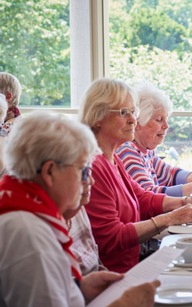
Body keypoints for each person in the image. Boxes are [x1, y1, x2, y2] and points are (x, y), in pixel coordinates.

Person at [0, 111, 159, 307]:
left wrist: (79, 288)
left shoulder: (25, 205)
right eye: (83, 170)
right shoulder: (29, 234)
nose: (90, 180)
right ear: (50, 171)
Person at [80, 79, 192, 273]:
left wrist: (184, 202)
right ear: (98, 117)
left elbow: (141, 197)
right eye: (123, 113)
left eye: (133, 112)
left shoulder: (112, 158)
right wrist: (169, 219)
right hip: (116, 275)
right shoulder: (95, 165)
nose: (133, 120)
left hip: (132, 265)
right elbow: (111, 237)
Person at [117, 82, 192, 196]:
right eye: (159, 119)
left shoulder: (146, 151)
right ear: (138, 123)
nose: (166, 125)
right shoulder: (127, 152)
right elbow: (150, 196)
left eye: (166, 118)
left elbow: (171, 174)